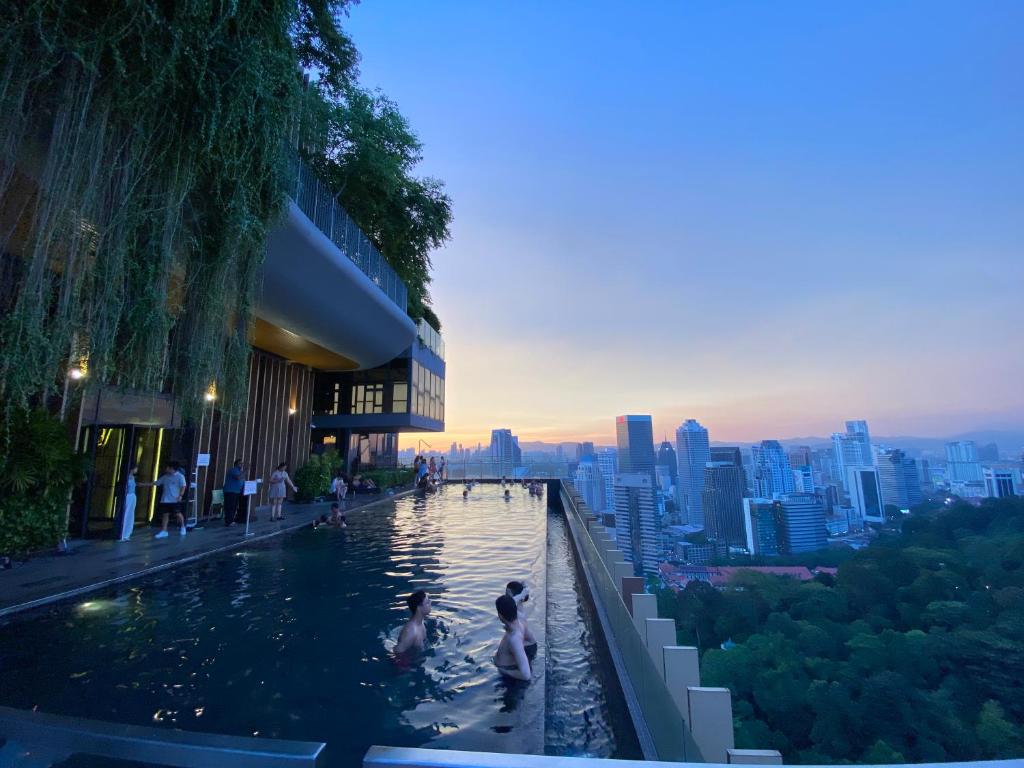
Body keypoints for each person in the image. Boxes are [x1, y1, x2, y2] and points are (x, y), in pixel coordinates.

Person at [493, 594, 532, 681]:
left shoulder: (514, 638)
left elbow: (526, 675)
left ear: (500, 615)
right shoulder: (520, 621)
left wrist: (503, 671)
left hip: (507, 679)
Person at [153, 462, 186, 538]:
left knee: (177, 513)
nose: (166, 469)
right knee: (165, 514)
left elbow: (183, 486)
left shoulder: (180, 477)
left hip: (175, 499)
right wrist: (143, 484)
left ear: (172, 469)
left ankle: (183, 527)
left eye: (168, 468)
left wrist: (180, 495)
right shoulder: (165, 477)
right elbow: (157, 483)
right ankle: (164, 531)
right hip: (165, 499)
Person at [506, 581, 538, 658]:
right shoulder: (518, 605)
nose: (505, 594)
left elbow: (511, 602)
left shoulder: (514, 606)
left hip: (528, 646)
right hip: (527, 643)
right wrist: (524, 587)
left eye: (508, 592)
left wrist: (522, 593)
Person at [395, 590, 431, 654]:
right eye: (427, 602)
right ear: (419, 608)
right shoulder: (411, 632)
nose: (430, 602)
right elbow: (396, 652)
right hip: (413, 661)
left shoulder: (421, 622)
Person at [119, 465, 139, 542]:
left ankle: (127, 534)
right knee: (126, 514)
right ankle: (122, 534)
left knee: (130, 514)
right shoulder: (127, 478)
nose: (137, 470)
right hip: (128, 496)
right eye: (136, 468)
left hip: (132, 496)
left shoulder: (132, 477)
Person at [223, 459, 244, 527]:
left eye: (242, 463)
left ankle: (231, 520)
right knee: (230, 507)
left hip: (237, 491)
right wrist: (246, 470)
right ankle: (228, 522)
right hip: (230, 491)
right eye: (240, 463)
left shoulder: (239, 471)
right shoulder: (233, 470)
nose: (241, 465)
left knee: (234, 506)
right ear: (236, 464)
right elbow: (238, 477)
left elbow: (242, 480)